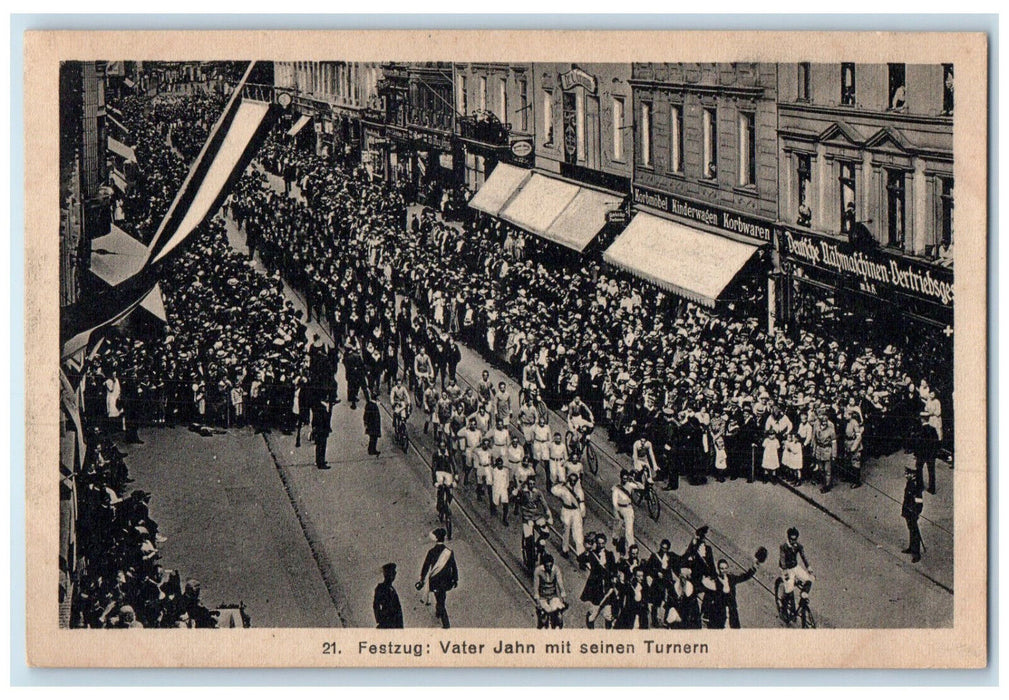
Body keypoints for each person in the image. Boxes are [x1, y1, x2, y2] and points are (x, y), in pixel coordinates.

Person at [416, 527, 458, 628]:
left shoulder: (431, 552)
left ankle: (445, 623)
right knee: (441, 598)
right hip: (446, 581)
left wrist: (422, 579)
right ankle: (439, 611)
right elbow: (454, 566)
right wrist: (455, 579)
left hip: (435, 581)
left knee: (439, 600)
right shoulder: (449, 552)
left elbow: (426, 566)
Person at [701, 558, 757, 629]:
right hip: (719, 614)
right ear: (718, 569)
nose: (724, 570)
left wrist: (753, 568)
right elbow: (707, 598)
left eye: (725, 568)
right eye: (722, 568)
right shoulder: (715, 582)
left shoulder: (731, 578)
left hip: (732, 612)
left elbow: (744, 577)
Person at [578, 533, 615, 628]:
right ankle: (591, 628)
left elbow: (614, 569)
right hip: (596, 587)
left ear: (605, 543)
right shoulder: (591, 554)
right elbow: (580, 559)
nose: (601, 545)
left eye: (602, 543)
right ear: (596, 543)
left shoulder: (610, 555)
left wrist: (613, 578)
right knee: (594, 611)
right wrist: (587, 551)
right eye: (599, 543)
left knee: (608, 615)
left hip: (607, 587)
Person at [552, 472, 586, 559]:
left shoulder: (579, 491)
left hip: (576, 512)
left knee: (578, 532)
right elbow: (554, 490)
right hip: (566, 510)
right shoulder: (564, 489)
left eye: (575, 481)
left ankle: (580, 553)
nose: (573, 482)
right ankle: (565, 549)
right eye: (571, 480)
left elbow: (581, 502)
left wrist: (582, 513)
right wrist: (560, 484)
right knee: (566, 530)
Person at [532, 554, 567, 628]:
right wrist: (538, 601)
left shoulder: (556, 569)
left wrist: (563, 595)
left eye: (550, 566)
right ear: (543, 565)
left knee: (559, 616)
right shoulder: (538, 571)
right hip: (543, 597)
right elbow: (536, 587)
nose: (549, 568)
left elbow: (560, 583)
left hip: (553, 596)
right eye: (547, 566)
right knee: (544, 618)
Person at [779, 527, 814, 598]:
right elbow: (782, 559)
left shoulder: (798, 546)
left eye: (795, 539)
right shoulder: (784, 546)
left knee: (809, 580)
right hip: (786, 568)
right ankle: (783, 606)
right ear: (788, 538)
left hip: (795, 566)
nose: (793, 541)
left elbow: (803, 556)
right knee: (789, 589)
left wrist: (808, 567)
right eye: (792, 539)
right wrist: (785, 571)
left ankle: (803, 594)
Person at [912, 411, 941, 495]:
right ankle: (932, 488)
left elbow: (918, 444)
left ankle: (920, 486)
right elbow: (936, 442)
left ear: (922, 419)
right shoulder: (933, 429)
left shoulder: (920, 431)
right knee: (931, 471)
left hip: (922, 454)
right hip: (931, 454)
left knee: (919, 468)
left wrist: (916, 454)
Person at [612, 470, 641, 550]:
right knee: (617, 526)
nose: (625, 480)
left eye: (626, 478)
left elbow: (642, 487)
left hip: (628, 508)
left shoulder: (630, 485)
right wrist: (618, 512)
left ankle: (631, 547)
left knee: (629, 530)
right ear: (621, 478)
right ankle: (615, 537)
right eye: (623, 478)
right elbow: (614, 502)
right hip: (619, 509)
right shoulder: (616, 488)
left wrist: (634, 481)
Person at [902, 467, 925, 563]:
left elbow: (919, 503)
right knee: (911, 530)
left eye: (908, 473)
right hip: (908, 511)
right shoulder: (910, 483)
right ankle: (911, 548)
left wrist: (915, 512)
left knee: (914, 532)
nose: (906, 475)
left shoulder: (916, 487)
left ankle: (916, 554)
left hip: (912, 513)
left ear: (913, 475)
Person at [373, 563, 404, 629]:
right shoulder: (381, 588)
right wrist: (379, 619)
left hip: (395, 624)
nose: (394, 575)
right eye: (392, 573)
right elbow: (376, 605)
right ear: (386, 574)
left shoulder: (392, 589)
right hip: (386, 623)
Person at [812, 414, 837, 493]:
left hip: (827, 450)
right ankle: (824, 481)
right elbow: (815, 440)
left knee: (827, 470)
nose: (824, 423)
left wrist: (834, 455)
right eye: (823, 421)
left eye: (826, 421)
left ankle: (827, 485)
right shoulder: (817, 429)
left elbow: (834, 443)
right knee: (820, 468)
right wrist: (814, 450)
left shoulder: (831, 431)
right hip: (819, 450)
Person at [844, 410, 864, 488]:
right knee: (848, 462)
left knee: (855, 463)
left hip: (853, 445)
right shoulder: (847, 422)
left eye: (846, 414)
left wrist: (853, 447)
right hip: (847, 444)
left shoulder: (854, 423)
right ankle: (850, 478)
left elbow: (858, 437)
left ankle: (857, 481)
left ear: (850, 415)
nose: (844, 415)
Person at [311, 399, 332, 469]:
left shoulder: (318, 408)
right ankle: (320, 462)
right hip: (321, 430)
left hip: (320, 429)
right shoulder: (321, 409)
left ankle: (319, 461)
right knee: (321, 446)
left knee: (320, 446)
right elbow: (324, 419)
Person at [363, 390, 382, 456]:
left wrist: (365, 423)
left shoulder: (369, 404)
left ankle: (372, 449)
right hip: (373, 425)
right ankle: (372, 450)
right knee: (373, 438)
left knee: (372, 438)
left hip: (371, 425)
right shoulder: (373, 405)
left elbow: (365, 415)